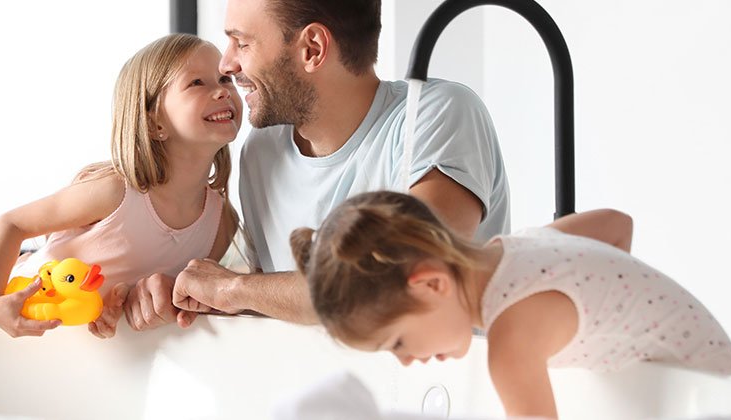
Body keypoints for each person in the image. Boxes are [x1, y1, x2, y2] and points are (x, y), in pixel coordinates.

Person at [171, 0, 510, 324]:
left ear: (313, 48)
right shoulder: (263, 151)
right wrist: (176, 297)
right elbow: (274, 300)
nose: (226, 64)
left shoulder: (437, 115)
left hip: (434, 381)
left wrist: (231, 289)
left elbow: (401, 281)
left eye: (241, 43)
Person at [290, 191, 731, 418]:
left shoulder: (512, 343)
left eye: (397, 342)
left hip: (715, 405)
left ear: (431, 285)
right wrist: (609, 319)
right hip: (728, 385)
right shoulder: (525, 247)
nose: (408, 361)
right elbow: (616, 225)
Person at [0, 33, 242, 339]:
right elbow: (11, 224)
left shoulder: (222, 224)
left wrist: (118, 305)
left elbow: (162, 294)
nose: (222, 91)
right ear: (154, 123)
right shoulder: (116, 192)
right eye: (197, 82)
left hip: (63, 353)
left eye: (225, 79)